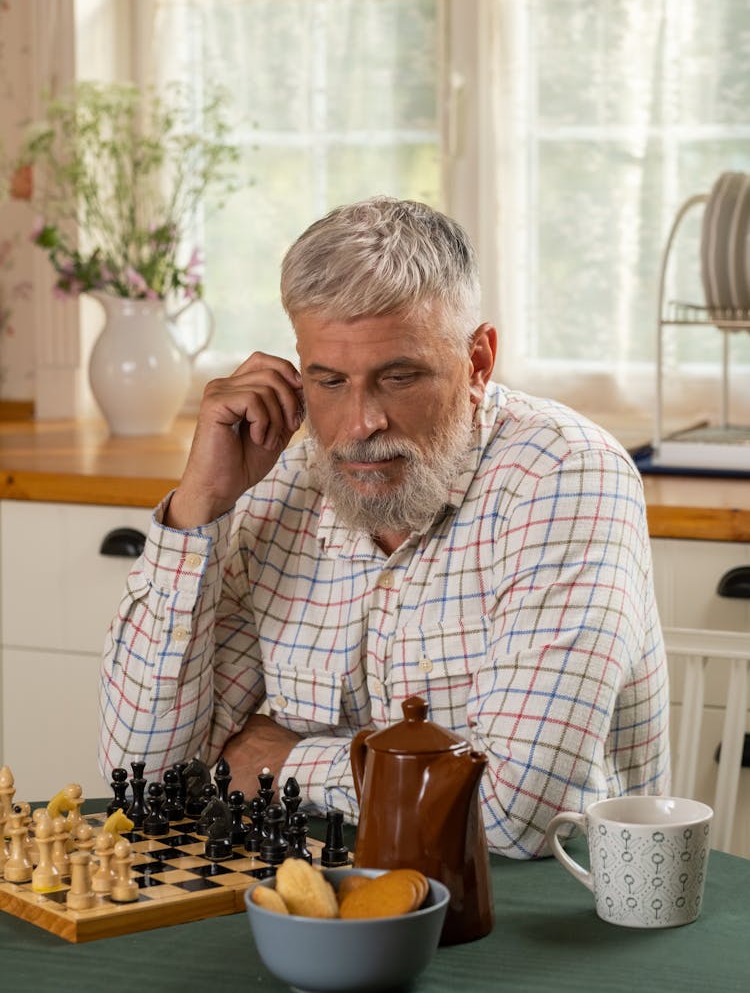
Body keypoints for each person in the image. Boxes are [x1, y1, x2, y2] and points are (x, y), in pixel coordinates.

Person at [98, 196, 670, 859]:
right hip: (315, 891)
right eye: (330, 381)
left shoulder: (567, 476)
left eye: (398, 377)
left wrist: (285, 762)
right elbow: (148, 778)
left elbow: (517, 814)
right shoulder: (281, 479)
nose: (361, 423)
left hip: (537, 917)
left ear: (478, 362)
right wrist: (200, 505)